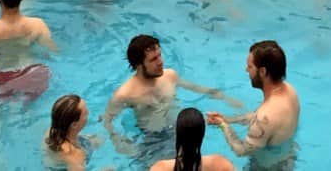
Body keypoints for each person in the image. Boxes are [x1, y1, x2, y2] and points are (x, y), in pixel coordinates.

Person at [105, 35, 240, 153]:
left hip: (181, 131)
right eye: (153, 59)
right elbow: (108, 120)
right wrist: (120, 143)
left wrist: (227, 98)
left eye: (160, 55)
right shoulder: (125, 94)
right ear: (139, 65)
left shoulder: (169, 76)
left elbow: (196, 88)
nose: (160, 62)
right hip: (152, 141)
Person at [206, 40, 300, 169]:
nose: (246, 70)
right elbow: (258, 118)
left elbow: (241, 150)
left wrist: (223, 125)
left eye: (250, 67)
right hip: (288, 160)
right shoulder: (290, 92)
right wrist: (227, 119)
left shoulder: (266, 115)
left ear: (262, 71)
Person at [150, 107, 236, 171]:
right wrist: (223, 124)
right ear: (202, 135)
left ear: (178, 134)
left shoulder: (160, 168)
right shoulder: (220, 165)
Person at [46, 93, 91, 169]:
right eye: (85, 113)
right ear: (74, 125)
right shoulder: (75, 155)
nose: (88, 112)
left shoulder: (51, 132)